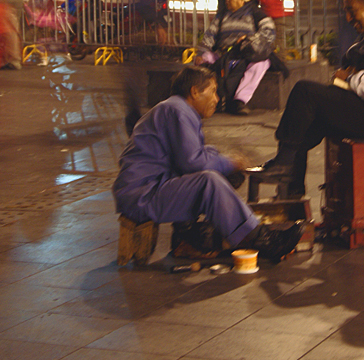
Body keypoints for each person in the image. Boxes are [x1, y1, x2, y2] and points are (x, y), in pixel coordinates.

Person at [112, 66, 304, 263]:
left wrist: (226, 163)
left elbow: (193, 154)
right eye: (212, 91)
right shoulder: (178, 110)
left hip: (149, 188)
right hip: (143, 195)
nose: (217, 99)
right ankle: (264, 239)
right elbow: (192, 162)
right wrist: (228, 163)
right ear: (195, 91)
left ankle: (189, 237)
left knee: (220, 173)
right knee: (209, 180)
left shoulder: (176, 109)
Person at [248, 0, 364, 196]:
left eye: (352, 10)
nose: (349, 18)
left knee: (305, 92)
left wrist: (350, 78)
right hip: (358, 104)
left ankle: (285, 164)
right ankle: (291, 192)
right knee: (302, 124)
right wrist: (351, 75)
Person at [196, 0, 277, 115]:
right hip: (224, 53)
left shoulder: (256, 14)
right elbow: (210, 35)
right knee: (204, 60)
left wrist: (248, 38)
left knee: (261, 64)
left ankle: (240, 101)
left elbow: (269, 33)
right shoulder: (222, 15)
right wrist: (202, 53)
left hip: (247, 55)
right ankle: (208, 99)